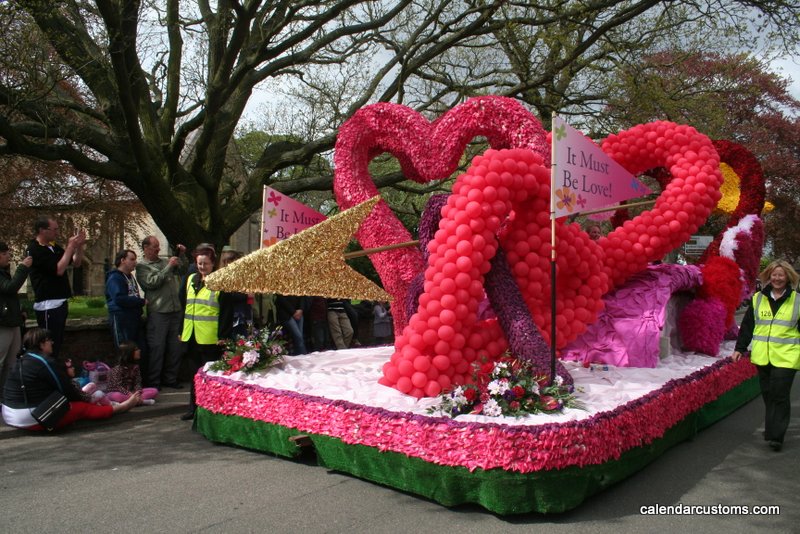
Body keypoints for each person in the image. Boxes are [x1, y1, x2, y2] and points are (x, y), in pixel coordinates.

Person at [2, 328, 140, 430]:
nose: (52, 343)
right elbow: (66, 390)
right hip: (29, 417)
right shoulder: (44, 362)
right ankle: (121, 407)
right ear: (42, 345)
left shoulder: (22, 359)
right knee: (81, 408)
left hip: (8, 413)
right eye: (49, 341)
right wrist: (86, 399)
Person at [733, 260, 800, 452]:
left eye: (781, 275)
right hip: (763, 356)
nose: (777, 278)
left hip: (787, 356)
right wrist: (740, 348)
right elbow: (747, 326)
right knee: (768, 393)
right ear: (768, 276)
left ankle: (777, 436)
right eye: (774, 275)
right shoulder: (757, 299)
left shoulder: (797, 300)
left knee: (779, 393)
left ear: (788, 277)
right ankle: (772, 429)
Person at [180, 247, 230, 420]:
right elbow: (184, 306)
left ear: (213, 264)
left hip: (210, 338)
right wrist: (181, 330)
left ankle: (210, 410)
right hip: (191, 335)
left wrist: (223, 336)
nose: (202, 267)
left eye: (206, 263)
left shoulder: (219, 282)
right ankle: (192, 408)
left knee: (209, 376)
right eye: (199, 263)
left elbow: (225, 312)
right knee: (194, 375)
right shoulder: (191, 279)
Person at [27, 216, 86, 357]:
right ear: (42, 230)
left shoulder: (53, 247)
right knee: (47, 344)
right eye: (54, 230)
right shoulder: (34, 249)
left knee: (57, 343)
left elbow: (76, 263)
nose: (57, 233)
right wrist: (70, 247)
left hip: (60, 301)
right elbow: (58, 270)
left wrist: (79, 247)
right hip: (48, 304)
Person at [136, 236, 187, 389]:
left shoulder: (164, 262)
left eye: (158, 246)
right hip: (159, 312)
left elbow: (183, 270)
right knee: (157, 348)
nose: (158, 249)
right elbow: (152, 282)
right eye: (155, 247)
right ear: (146, 248)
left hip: (175, 310)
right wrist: (168, 267)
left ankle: (170, 379)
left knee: (175, 347)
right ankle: (154, 382)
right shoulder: (142, 266)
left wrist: (181, 255)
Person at [0, 243, 32, 395]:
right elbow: (10, 288)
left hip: (13, 322)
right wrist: (23, 267)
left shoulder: (3, 272)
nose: (8, 256)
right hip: (3, 325)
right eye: (5, 253)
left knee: (12, 363)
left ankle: (7, 395)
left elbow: (10, 296)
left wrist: (19, 311)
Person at [105, 249, 145, 348]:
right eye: (132, 259)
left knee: (138, 349)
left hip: (134, 318)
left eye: (135, 259)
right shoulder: (115, 278)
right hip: (121, 319)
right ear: (123, 260)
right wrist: (141, 301)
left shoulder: (130, 277)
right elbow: (119, 298)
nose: (135, 262)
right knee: (125, 350)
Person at [106, 341, 158, 405]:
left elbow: (137, 382)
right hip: (117, 392)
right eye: (136, 349)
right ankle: (141, 402)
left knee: (154, 391)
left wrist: (137, 392)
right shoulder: (118, 368)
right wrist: (129, 394)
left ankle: (132, 402)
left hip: (132, 392)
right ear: (129, 353)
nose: (139, 350)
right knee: (117, 396)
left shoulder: (136, 367)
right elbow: (117, 386)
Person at [219, 248, 253, 339]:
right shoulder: (223, 278)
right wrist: (246, 294)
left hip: (244, 315)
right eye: (230, 262)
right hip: (232, 316)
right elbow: (229, 296)